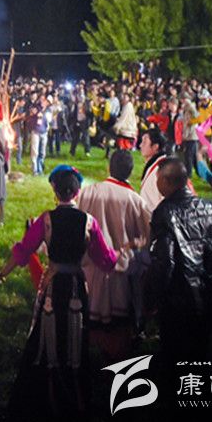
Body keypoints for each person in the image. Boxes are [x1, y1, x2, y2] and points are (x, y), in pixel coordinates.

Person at [0, 165, 119, 417]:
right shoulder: (88, 222)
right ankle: (75, 395)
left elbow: (23, 250)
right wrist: (119, 255)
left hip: (54, 284)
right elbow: (106, 261)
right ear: (77, 192)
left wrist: (3, 273)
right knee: (75, 337)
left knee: (46, 337)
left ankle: (43, 393)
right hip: (77, 286)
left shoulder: (46, 220)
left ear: (55, 191)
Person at [144, 157, 212, 378]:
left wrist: (152, 298)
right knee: (201, 349)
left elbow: (164, 263)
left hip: (179, 300)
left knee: (175, 356)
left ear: (166, 181)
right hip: (209, 295)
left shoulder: (165, 213)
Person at [76, 150, 151, 360]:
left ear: (109, 167)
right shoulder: (136, 201)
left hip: (89, 272)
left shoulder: (87, 193)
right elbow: (147, 237)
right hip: (120, 274)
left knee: (86, 325)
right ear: (130, 171)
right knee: (117, 332)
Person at [137, 128, 168, 209]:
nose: (140, 145)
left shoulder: (161, 169)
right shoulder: (156, 164)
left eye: (144, 142)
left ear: (155, 147)